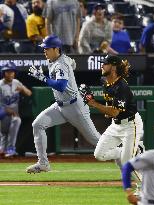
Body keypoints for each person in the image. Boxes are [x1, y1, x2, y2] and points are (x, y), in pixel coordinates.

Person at [26, 34, 100, 173]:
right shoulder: (57, 60)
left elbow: (60, 85)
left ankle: (126, 156)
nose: (44, 51)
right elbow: (73, 63)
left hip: (75, 107)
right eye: (44, 48)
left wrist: (42, 77)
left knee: (97, 141)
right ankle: (43, 164)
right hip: (60, 106)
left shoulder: (60, 63)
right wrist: (70, 63)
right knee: (38, 124)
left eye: (47, 48)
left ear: (56, 49)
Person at [86, 55, 144, 184]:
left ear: (113, 67)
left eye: (105, 64)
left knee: (126, 164)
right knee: (99, 154)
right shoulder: (104, 80)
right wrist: (105, 110)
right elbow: (111, 109)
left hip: (131, 125)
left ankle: (149, 188)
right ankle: (126, 151)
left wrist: (94, 103)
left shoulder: (122, 87)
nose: (102, 65)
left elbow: (114, 111)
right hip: (116, 125)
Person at [0, 62, 32, 157]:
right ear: (4, 73)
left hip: (14, 114)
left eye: (12, 72)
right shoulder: (0, 84)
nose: (10, 74)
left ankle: (10, 149)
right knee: (3, 133)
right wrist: (6, 110)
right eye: (7, 72)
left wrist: (22, 89)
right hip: (2, 113)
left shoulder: (16, 82)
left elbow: (29, 93)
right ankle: (3, 149)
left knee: (16, 120)